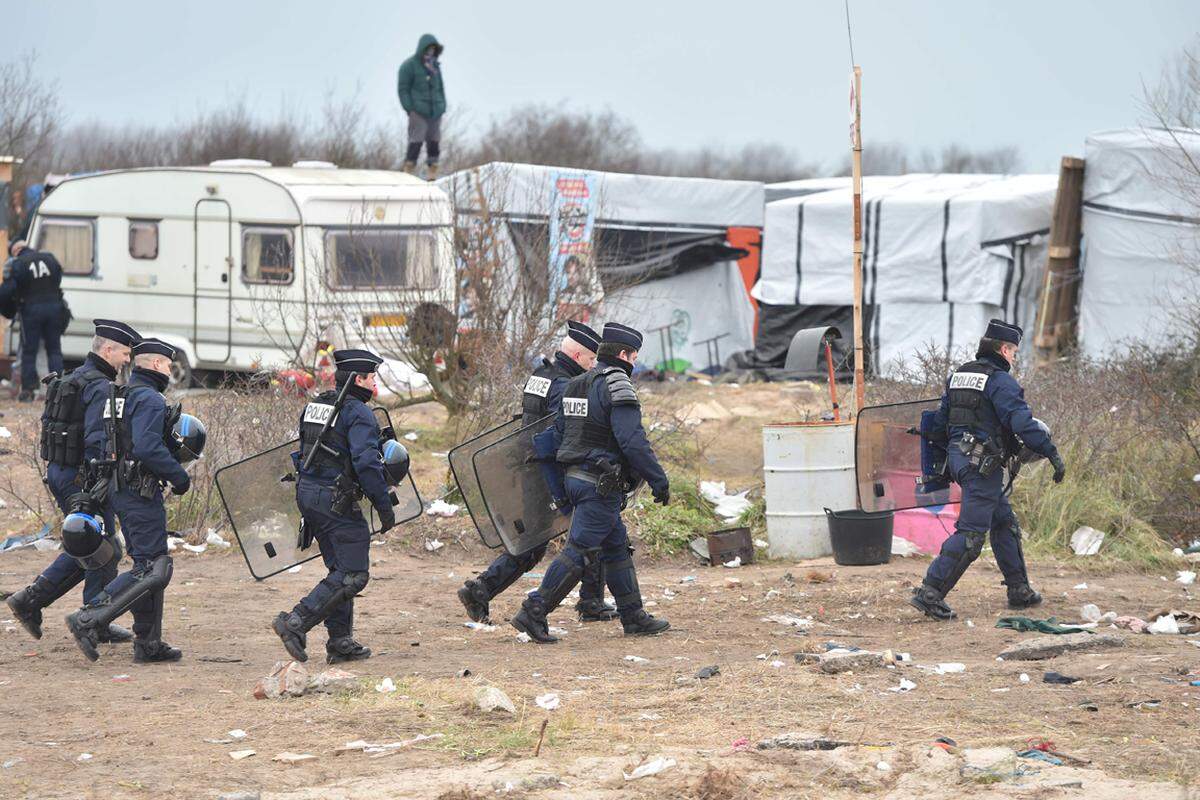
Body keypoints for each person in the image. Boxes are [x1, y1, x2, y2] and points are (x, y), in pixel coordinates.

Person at [512, 322, 672, 644]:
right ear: (624, 355)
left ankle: (633, 615)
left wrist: (561, 491)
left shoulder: (576, 385)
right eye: (635, 356)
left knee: (615, 548)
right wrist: (658, 480)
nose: (635, 363)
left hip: (578, 481)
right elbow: (632, 441)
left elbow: (550, 441)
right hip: (601, 485)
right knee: (579, 553)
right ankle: (534, 610)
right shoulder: (617, 385)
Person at [458, 321, 621, 624]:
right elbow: (565, 433)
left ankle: (591, 601)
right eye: (589, 360)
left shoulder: (541, 375)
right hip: (550, 471)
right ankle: (481, 589)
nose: (592, 366)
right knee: (562, 538)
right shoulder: (563, 385)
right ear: (576, 356)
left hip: (532, 468)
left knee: (559, 538)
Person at [909, 319, 1066, 620]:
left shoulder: (959, 376)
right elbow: (1022, 423)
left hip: (959, 461)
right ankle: (930, 592)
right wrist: (1052, 453)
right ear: (1004, 349)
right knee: (970, 535)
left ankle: (1019, 590)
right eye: (1015, 352)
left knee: (1004, 522)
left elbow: (940, 424)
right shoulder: (1000, 381)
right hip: (981, 465)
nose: (1015, 358)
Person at [6, 320, 140, 644]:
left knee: (95, 545)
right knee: (101, 546)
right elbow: (98, 439)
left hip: (63, 473)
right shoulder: (99, 387)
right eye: (124, 353)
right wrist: (102, 482)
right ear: (107, 350)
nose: (127, 360)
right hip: (83, 478)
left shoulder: (76, 377)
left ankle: (34, 601)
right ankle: (92, 618)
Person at [65, 338, 194, 663]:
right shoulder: (149, 398)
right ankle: (89, 617)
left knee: (148, 565)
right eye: (166, 364)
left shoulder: (118, 395)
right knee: (153, 567)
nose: (168, 370)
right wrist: (179, 476)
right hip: (139, 490)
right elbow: (148, 446)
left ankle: (148, 643)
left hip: (118, 487)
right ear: (154, 365)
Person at [272, 349, 395, 665]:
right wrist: (384, 505)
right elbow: (367, 463)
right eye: (371, 378)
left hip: (309, 494)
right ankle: (296, 621)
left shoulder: (316, 405)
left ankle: (340, 642)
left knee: (340, 569)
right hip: (334, 501)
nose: (374, 385)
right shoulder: (359, 413)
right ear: (358, 379)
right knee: (353, 574)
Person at [8, 240, 69, 401]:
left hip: (32, 310)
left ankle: (28, 390)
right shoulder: (48, 257)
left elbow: (14, 288)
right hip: (54, 308)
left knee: (29, 351)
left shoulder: (19, 263)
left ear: (16, 251)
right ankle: (59, 388)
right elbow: (58, 276)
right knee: (54, 349)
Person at [397, 33, 446, 179]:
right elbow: (403, 89)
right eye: (428, 49)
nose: (430, 52)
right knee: (416, 140)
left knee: (434, 140)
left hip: (436, 111)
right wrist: (409, 108)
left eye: (433, 49)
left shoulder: (435, 67)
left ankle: (433, 171)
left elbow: (441, 88)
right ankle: (409, 169)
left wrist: (442, 106)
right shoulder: (409, 66)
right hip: (418, 110)